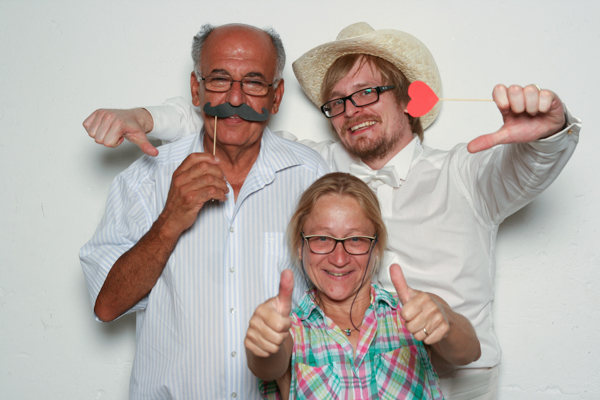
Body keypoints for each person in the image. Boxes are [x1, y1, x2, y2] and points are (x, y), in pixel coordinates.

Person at [83, 22, 581, 399]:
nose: (352, 109)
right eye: (337, 102)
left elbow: (528, 169)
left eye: (367, 92)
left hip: (455, 382)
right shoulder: (313, 167)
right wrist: (146, 118)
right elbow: (232, 111)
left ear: (410, 99)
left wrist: (549, 132)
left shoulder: (465, 173)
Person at [79, 23, 330, 399]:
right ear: (196, 89)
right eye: (219, 79)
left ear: (276, 97)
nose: (234, 97)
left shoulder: (312, 178)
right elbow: (107, 305)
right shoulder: (146, 178)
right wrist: (169, 220)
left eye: (254, 82)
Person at [245, 172, 480, 399]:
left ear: (376, 248)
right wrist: (264, 345)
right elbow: (267, 366)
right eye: (323, 239)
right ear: (300, 246)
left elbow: (469, 352)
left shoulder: (411, 312)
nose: (339, 259)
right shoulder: (290, 330)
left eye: (356, 239)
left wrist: (446, 321)